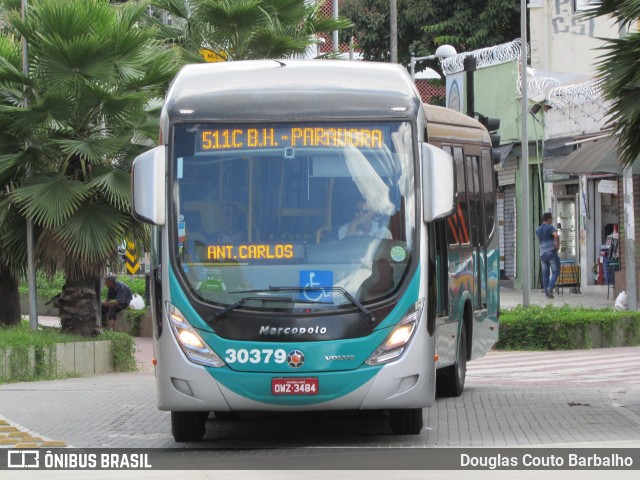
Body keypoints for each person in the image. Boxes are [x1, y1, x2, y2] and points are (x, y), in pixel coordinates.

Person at [535, 212, 560, 299]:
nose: (552, 220)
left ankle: (547, 293)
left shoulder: (538, 229)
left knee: (545, 274)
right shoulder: (550, 227)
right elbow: (556, 235)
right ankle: (550, 287)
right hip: (550, 252)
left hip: (542, 254)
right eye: (551, 218)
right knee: (556, 271)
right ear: (549, 219)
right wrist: (557, 245)